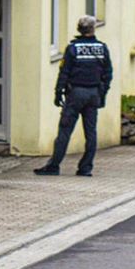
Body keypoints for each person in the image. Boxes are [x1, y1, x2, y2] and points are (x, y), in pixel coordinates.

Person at [34, 16, 112, 177]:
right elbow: (108, 73)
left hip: (75, 93)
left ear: (79, 29)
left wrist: (58, 92)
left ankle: (54, 166)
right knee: (91, 132)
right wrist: (102, 93)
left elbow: (64, 72)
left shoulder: (73, 48)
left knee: (65, 130)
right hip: (94, 93)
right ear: (93, 29)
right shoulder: (102, 48)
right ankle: (86, 168)